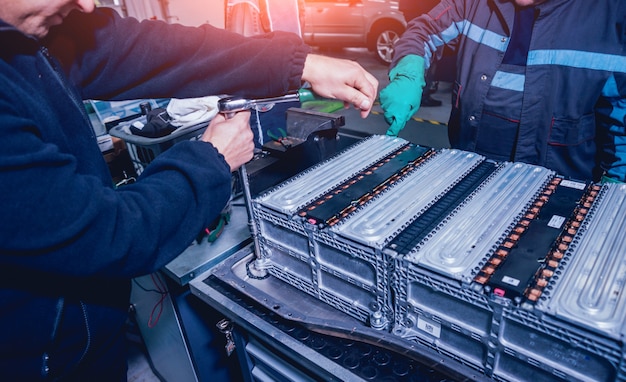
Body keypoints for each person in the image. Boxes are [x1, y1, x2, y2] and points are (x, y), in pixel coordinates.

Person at [0, 0, 378, 380]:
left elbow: (147, 48)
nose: (85, 3)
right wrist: (211, 161)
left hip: (94, 336)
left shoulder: (36, 33)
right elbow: (106, 234)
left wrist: (298, 65)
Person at [380, 0, 626, 182]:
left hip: (559, 189)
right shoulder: (474, 3)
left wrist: (617, 182)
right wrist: (408, 71)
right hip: (469, 171)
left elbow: (621, 113)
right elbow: (423, 31)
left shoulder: (611, 16)